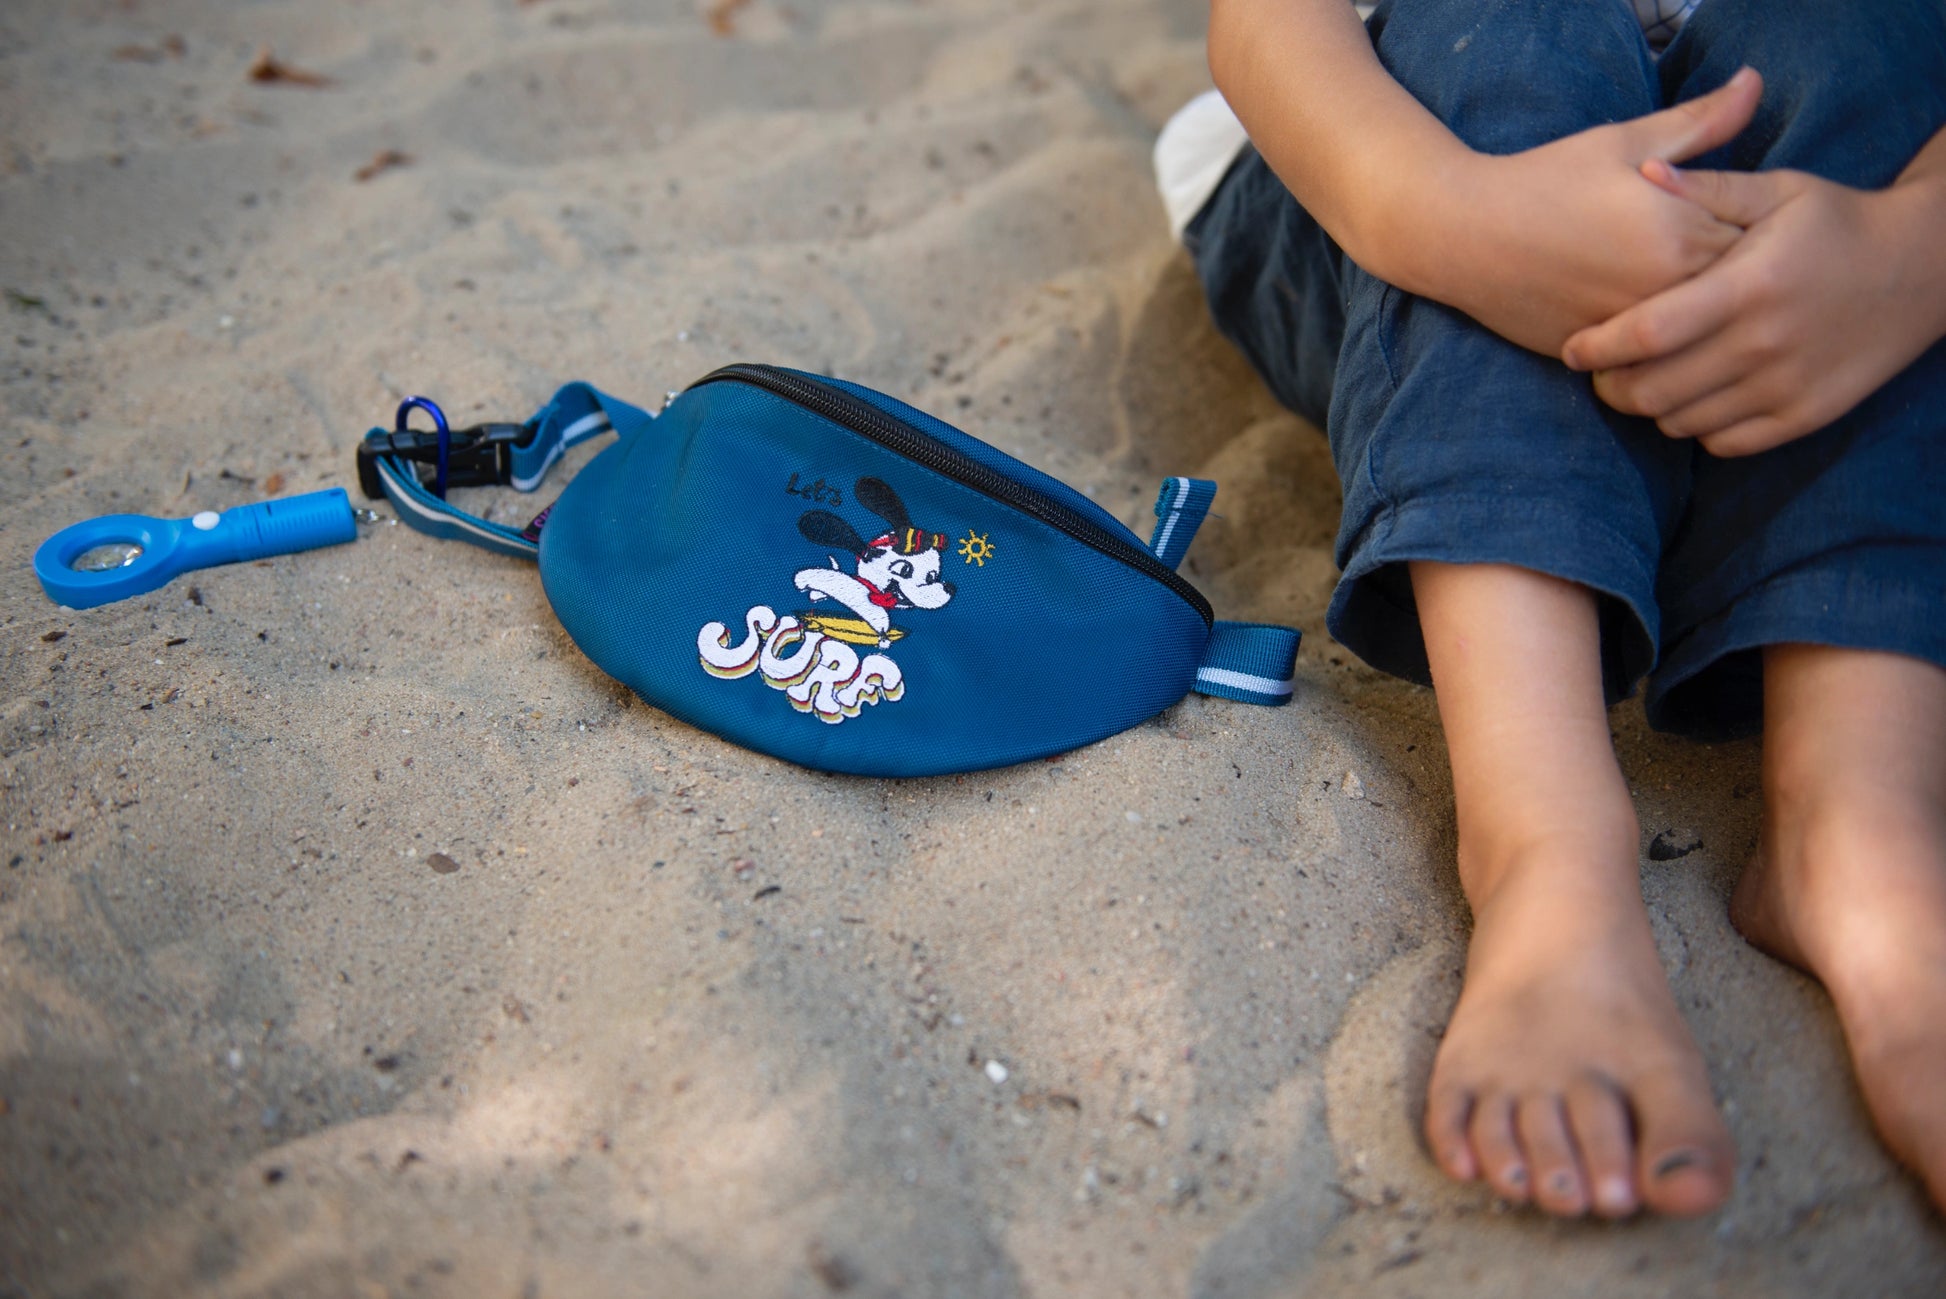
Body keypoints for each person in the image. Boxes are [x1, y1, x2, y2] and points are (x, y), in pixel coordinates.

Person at [1158, 0, 1946, 1218]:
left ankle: (1859, 829)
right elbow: (1271, 29)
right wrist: (1457, 221)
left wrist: (1906, 259)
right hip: (1384, 186)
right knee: (1505, 17)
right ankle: (1543, 850)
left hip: (1823, 267)